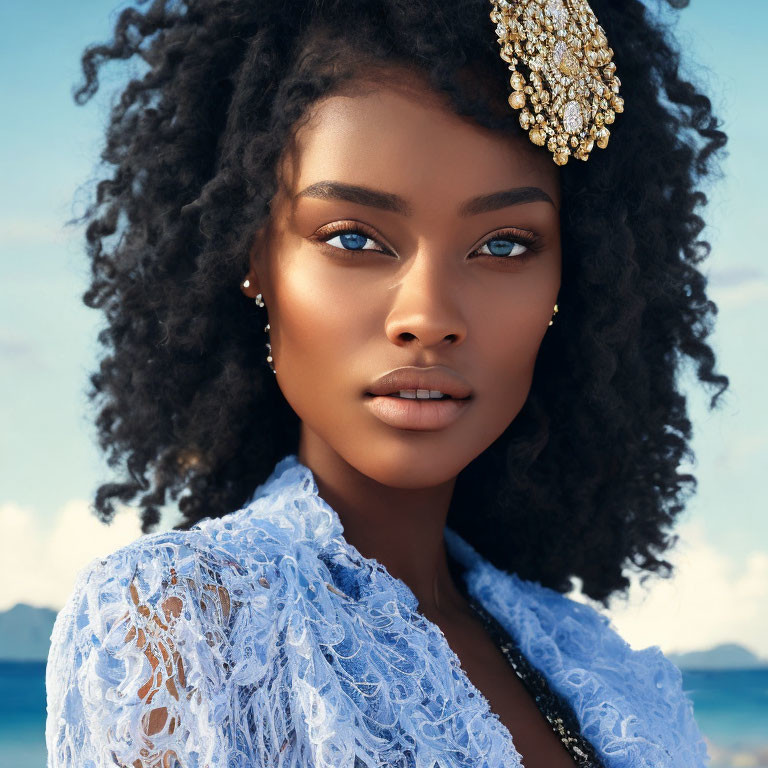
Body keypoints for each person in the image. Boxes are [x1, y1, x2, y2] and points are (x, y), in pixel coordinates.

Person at [45, 0, 728, 766]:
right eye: (354, 238)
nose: (429, 316)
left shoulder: (602, 664)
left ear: (572, 280)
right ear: (252, 258)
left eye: (504, 245)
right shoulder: (183, 620)